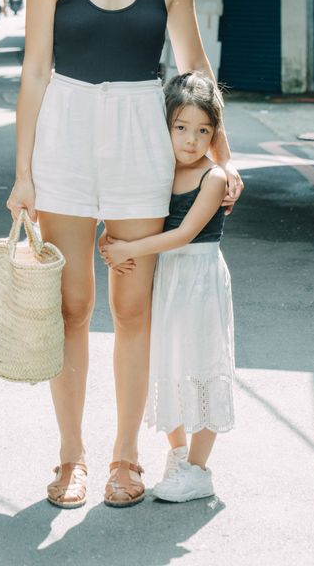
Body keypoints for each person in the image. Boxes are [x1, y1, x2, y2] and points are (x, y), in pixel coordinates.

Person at [5, 0, 243, 510]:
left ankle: (126, 457)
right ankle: (70, 457)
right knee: (71, 307)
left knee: (134, 307)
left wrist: (223, 160)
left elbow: (194, 67)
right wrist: (23, 174)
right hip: (66, 135)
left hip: (141, 134)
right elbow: (35, 72)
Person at [100, 71, 235, 503]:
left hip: (199, 281)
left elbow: (183, 234)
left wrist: (129, 249)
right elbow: (140, 216)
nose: (191, 140)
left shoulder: (213, 179)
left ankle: (199, 469)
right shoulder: (162, 170)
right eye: (181, 128)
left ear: (214, 133)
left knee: (204, 366)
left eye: (203, 131)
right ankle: (178, 454)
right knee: (169, 364)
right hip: (168, 279)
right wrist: (110, 236)